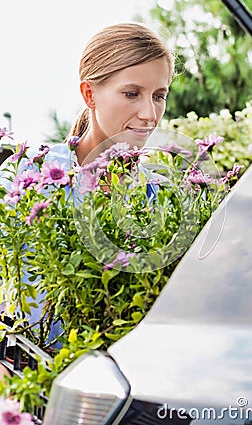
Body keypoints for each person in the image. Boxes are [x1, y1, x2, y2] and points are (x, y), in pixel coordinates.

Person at [0, 22, 175, 373]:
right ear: (90, 94)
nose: (150, 114)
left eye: (159, 95)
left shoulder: (159, 196)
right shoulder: (28, 179)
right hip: (26, 384)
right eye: (131, 93)